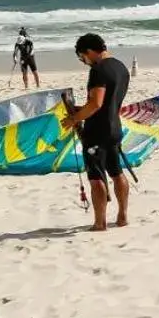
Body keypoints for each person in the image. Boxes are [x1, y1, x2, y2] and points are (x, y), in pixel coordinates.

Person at [66, 33, 131, 232]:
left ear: (89, 51)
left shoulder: (98, 70)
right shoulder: (121, 67)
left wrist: (74, 118)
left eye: (82, 57)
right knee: (117, 172)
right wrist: (79, 109)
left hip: (96, 132)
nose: (83, 62)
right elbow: (108, 101)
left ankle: (100, 222)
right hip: (114, 127)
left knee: (96, 177)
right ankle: (122, 216)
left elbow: (96, 104)